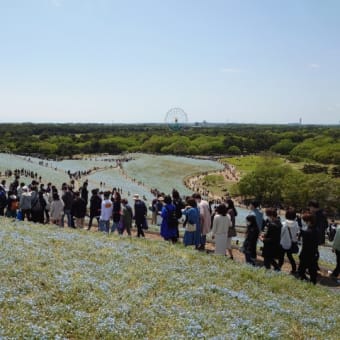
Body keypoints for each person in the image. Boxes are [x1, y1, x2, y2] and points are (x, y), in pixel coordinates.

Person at [298, 212, 319, 284]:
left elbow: (305, 246)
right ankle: (312, 284)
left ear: (309, 221)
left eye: (305, 221)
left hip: (306, 254)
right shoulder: (316, 230)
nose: (305, 223)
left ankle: (305, 283)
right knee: (312, 271)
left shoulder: (307, 232)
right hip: (314, 253)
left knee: (301, 271)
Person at [278, 208, 300, 273]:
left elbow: (280, 234)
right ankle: (294, 269)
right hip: (291, 243)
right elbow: (297, 233)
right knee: (290, 256)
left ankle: (279, 267)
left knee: (281, 257)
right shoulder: (296, 224)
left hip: (283, 243)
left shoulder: (284, 223)